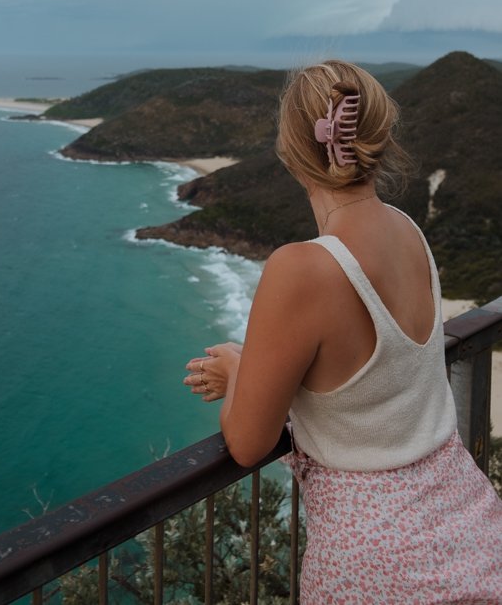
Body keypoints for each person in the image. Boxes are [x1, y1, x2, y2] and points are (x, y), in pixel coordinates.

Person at [183, 59, 502, 604]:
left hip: (375, 564)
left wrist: (240, 370)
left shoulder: (301, 269)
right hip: (467, 524)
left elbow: (246, 442)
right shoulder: (409, 232)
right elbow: (372, 386)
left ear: (292, 152)